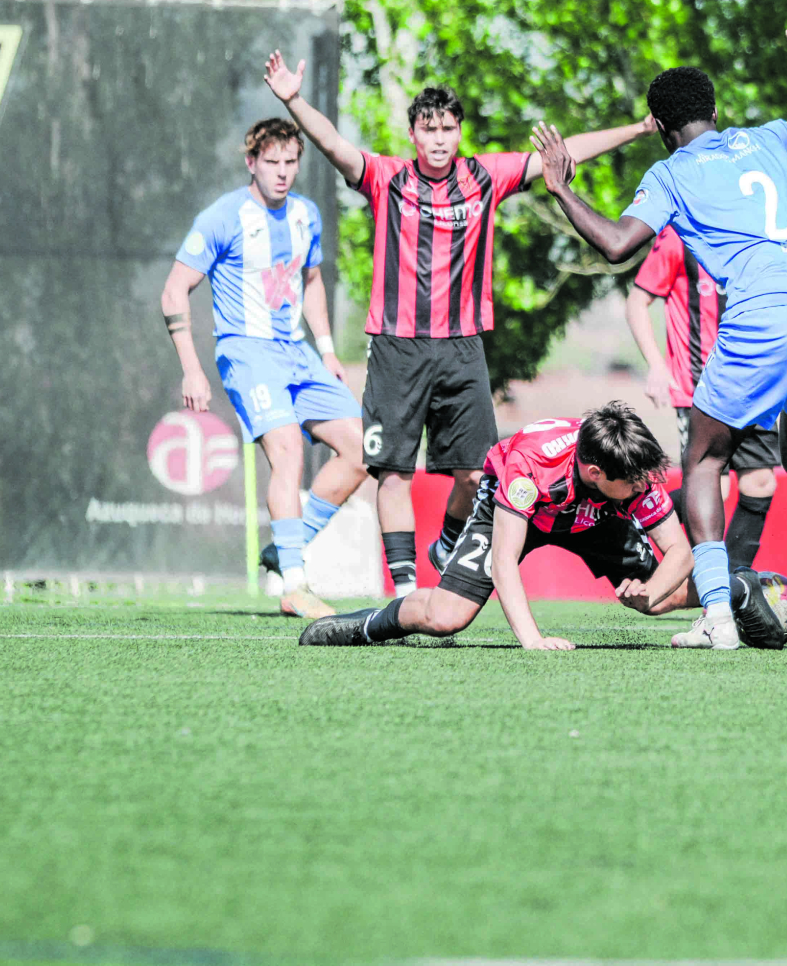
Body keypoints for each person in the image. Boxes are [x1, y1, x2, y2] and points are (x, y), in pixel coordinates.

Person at [529, 17, 787, 650]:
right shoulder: (769, 137)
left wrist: (561, 190)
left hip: (765, 310)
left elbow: (616, 244)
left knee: (703, 459)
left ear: (662, 129)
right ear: (715, 112)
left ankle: (716, 616)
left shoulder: (669, 174)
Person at [261, 53, 655, 597]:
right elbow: (333, 144)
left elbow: (561, 153)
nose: (439, 139)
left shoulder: (483, 177)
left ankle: (447, 543)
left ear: (460, 132)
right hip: (397, 348)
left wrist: (637, 129)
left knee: (475, 474)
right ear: (413, 135)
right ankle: (404, 592)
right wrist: (293, 99)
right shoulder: (387, 178)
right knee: (394, 474)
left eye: (448, 128)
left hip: (462, 349)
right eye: (429, 129)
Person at [159, 117, 367, 619]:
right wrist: (191, 369)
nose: (282, 172)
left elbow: (311, 282)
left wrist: (328, 350)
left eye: (290, 162)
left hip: (298, 353)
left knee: (362, 450)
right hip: (247, 353)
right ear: (251, 162)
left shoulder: (306, 214)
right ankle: (294, 584)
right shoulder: (222, 217)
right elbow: (173, 290)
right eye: (272, 162)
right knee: (288, 448)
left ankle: (285, 547)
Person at [298, 402, 697, 650]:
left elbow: (679, 551)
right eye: (634, 484)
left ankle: (731, 599)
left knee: (669, 596)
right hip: (515, 511)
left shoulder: (631, 468)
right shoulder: (532, 465)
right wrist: (533, 640)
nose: (644, 487)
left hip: (595, 516)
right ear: (595, 472)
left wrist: (650, 593)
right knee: (445, 617)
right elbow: (504, 560)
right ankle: (367, 625)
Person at [626, 226, 778, 569]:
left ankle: (734, 581)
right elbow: (636, 302)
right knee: (714, 487)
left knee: (760, 482)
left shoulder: (761, 231)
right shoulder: (680, 236)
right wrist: (656, 365)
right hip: (699, 387)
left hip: (755, 383)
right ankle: (632, 522)